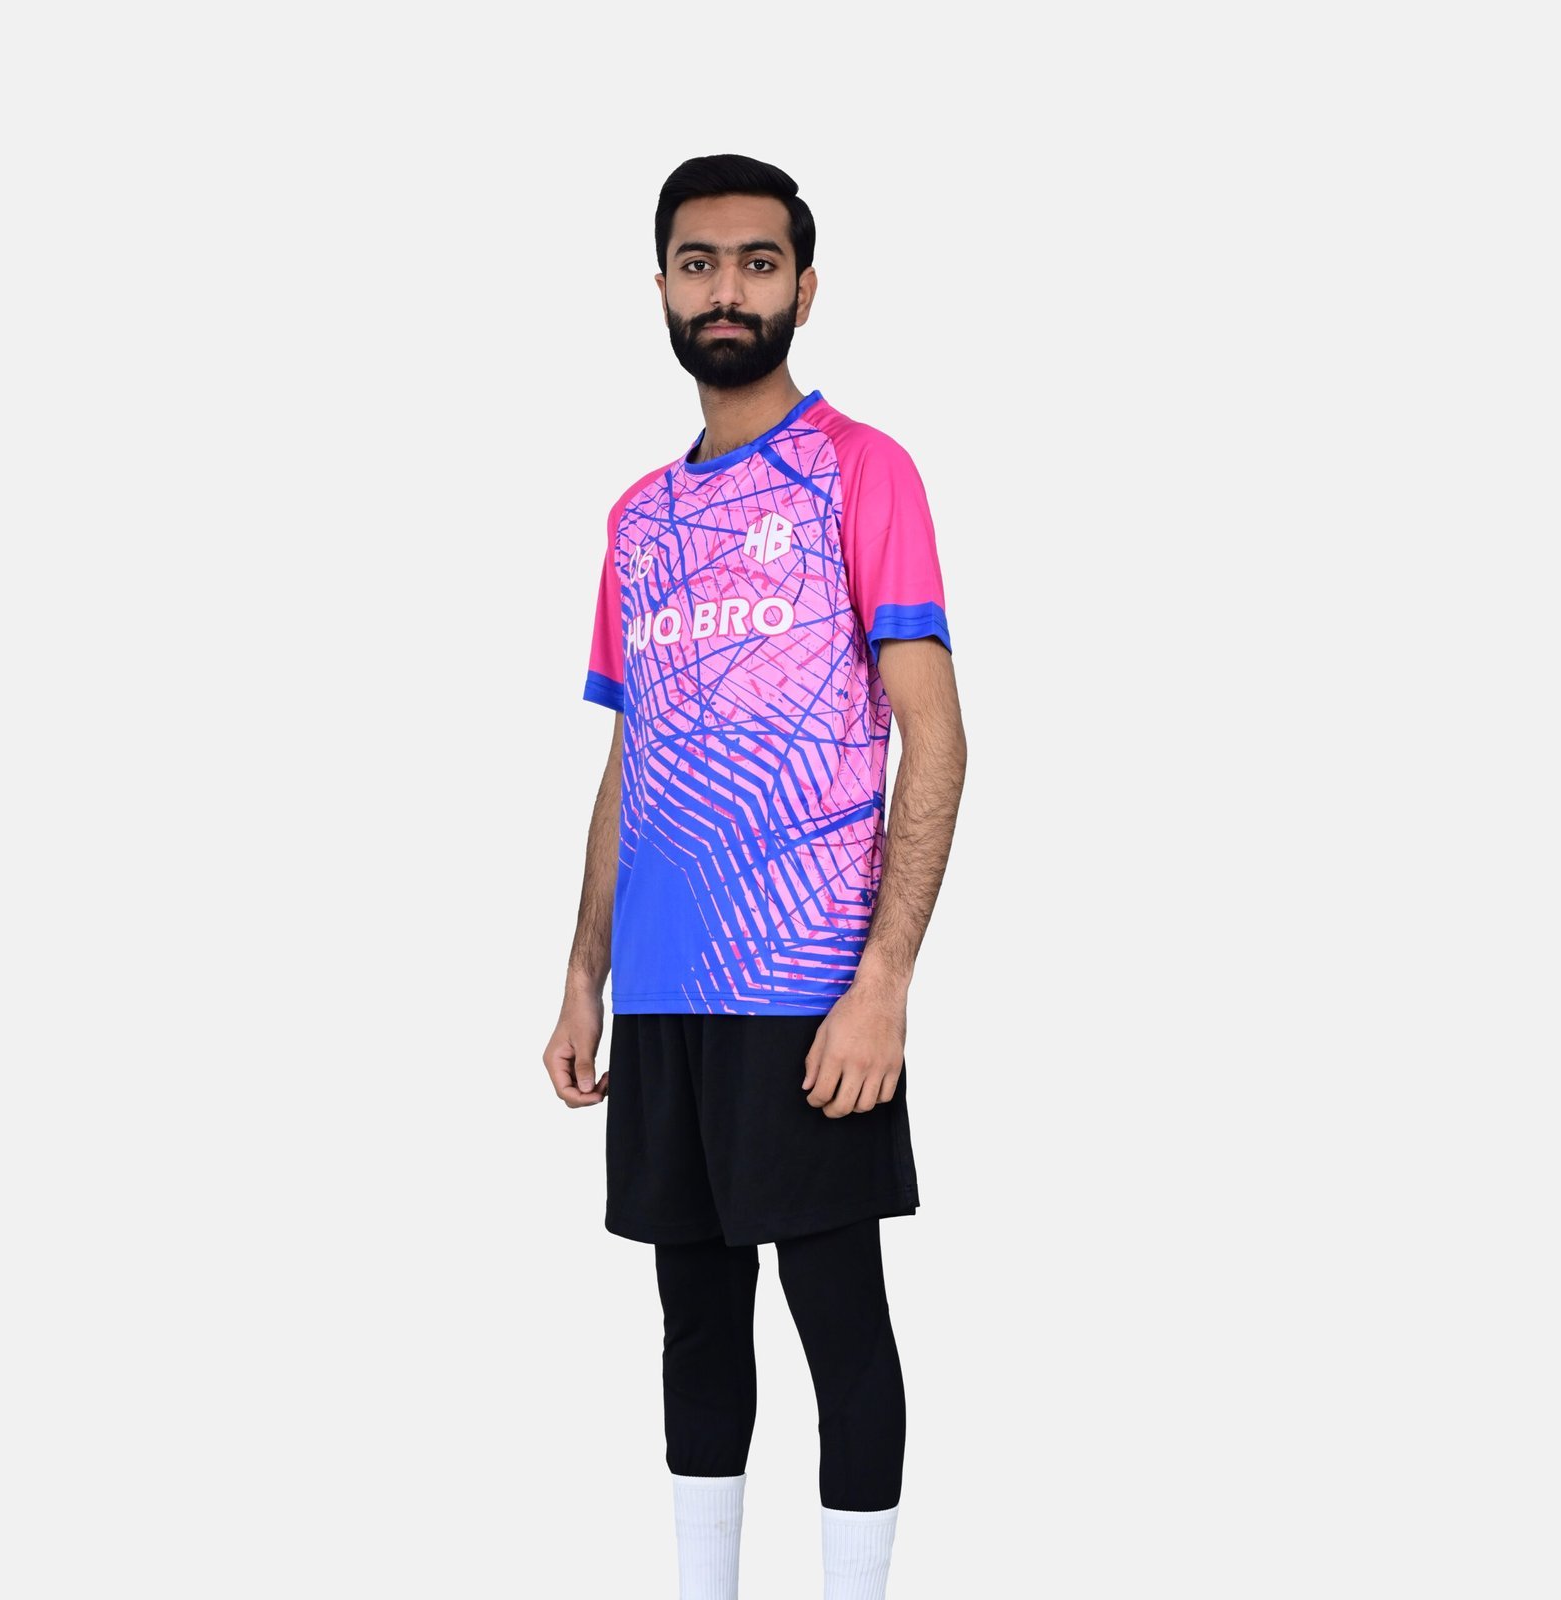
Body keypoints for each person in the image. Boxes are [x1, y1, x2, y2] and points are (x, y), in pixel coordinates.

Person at [542, 153, 967, 1600]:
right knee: (695, 1324)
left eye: (758, 261)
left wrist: (884, 984)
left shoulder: (863, 470)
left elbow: (935, 735)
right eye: (700, 262)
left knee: (838, 1317)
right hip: (664, 993)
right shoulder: (635, 519)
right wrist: (583, 975)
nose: (728, 289)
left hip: (806, 983)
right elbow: (635, 754)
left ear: (804, 287)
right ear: (663, 286)